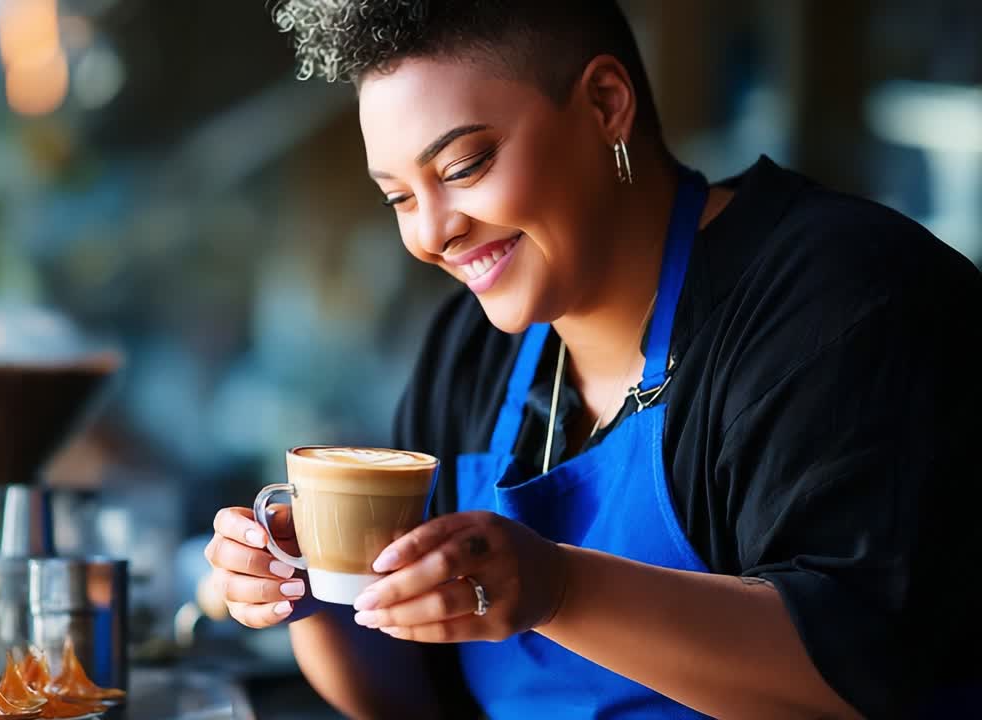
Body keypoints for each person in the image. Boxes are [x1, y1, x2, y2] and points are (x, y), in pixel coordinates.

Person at [204, 1, 982, 717]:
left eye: (464, 167)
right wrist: (308, 599)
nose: (431, 235)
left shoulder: (842, 303)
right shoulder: (469, 351)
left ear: (606, 104)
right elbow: (422, 702)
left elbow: (862, 675)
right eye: (400, 198)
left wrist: (557, 587)